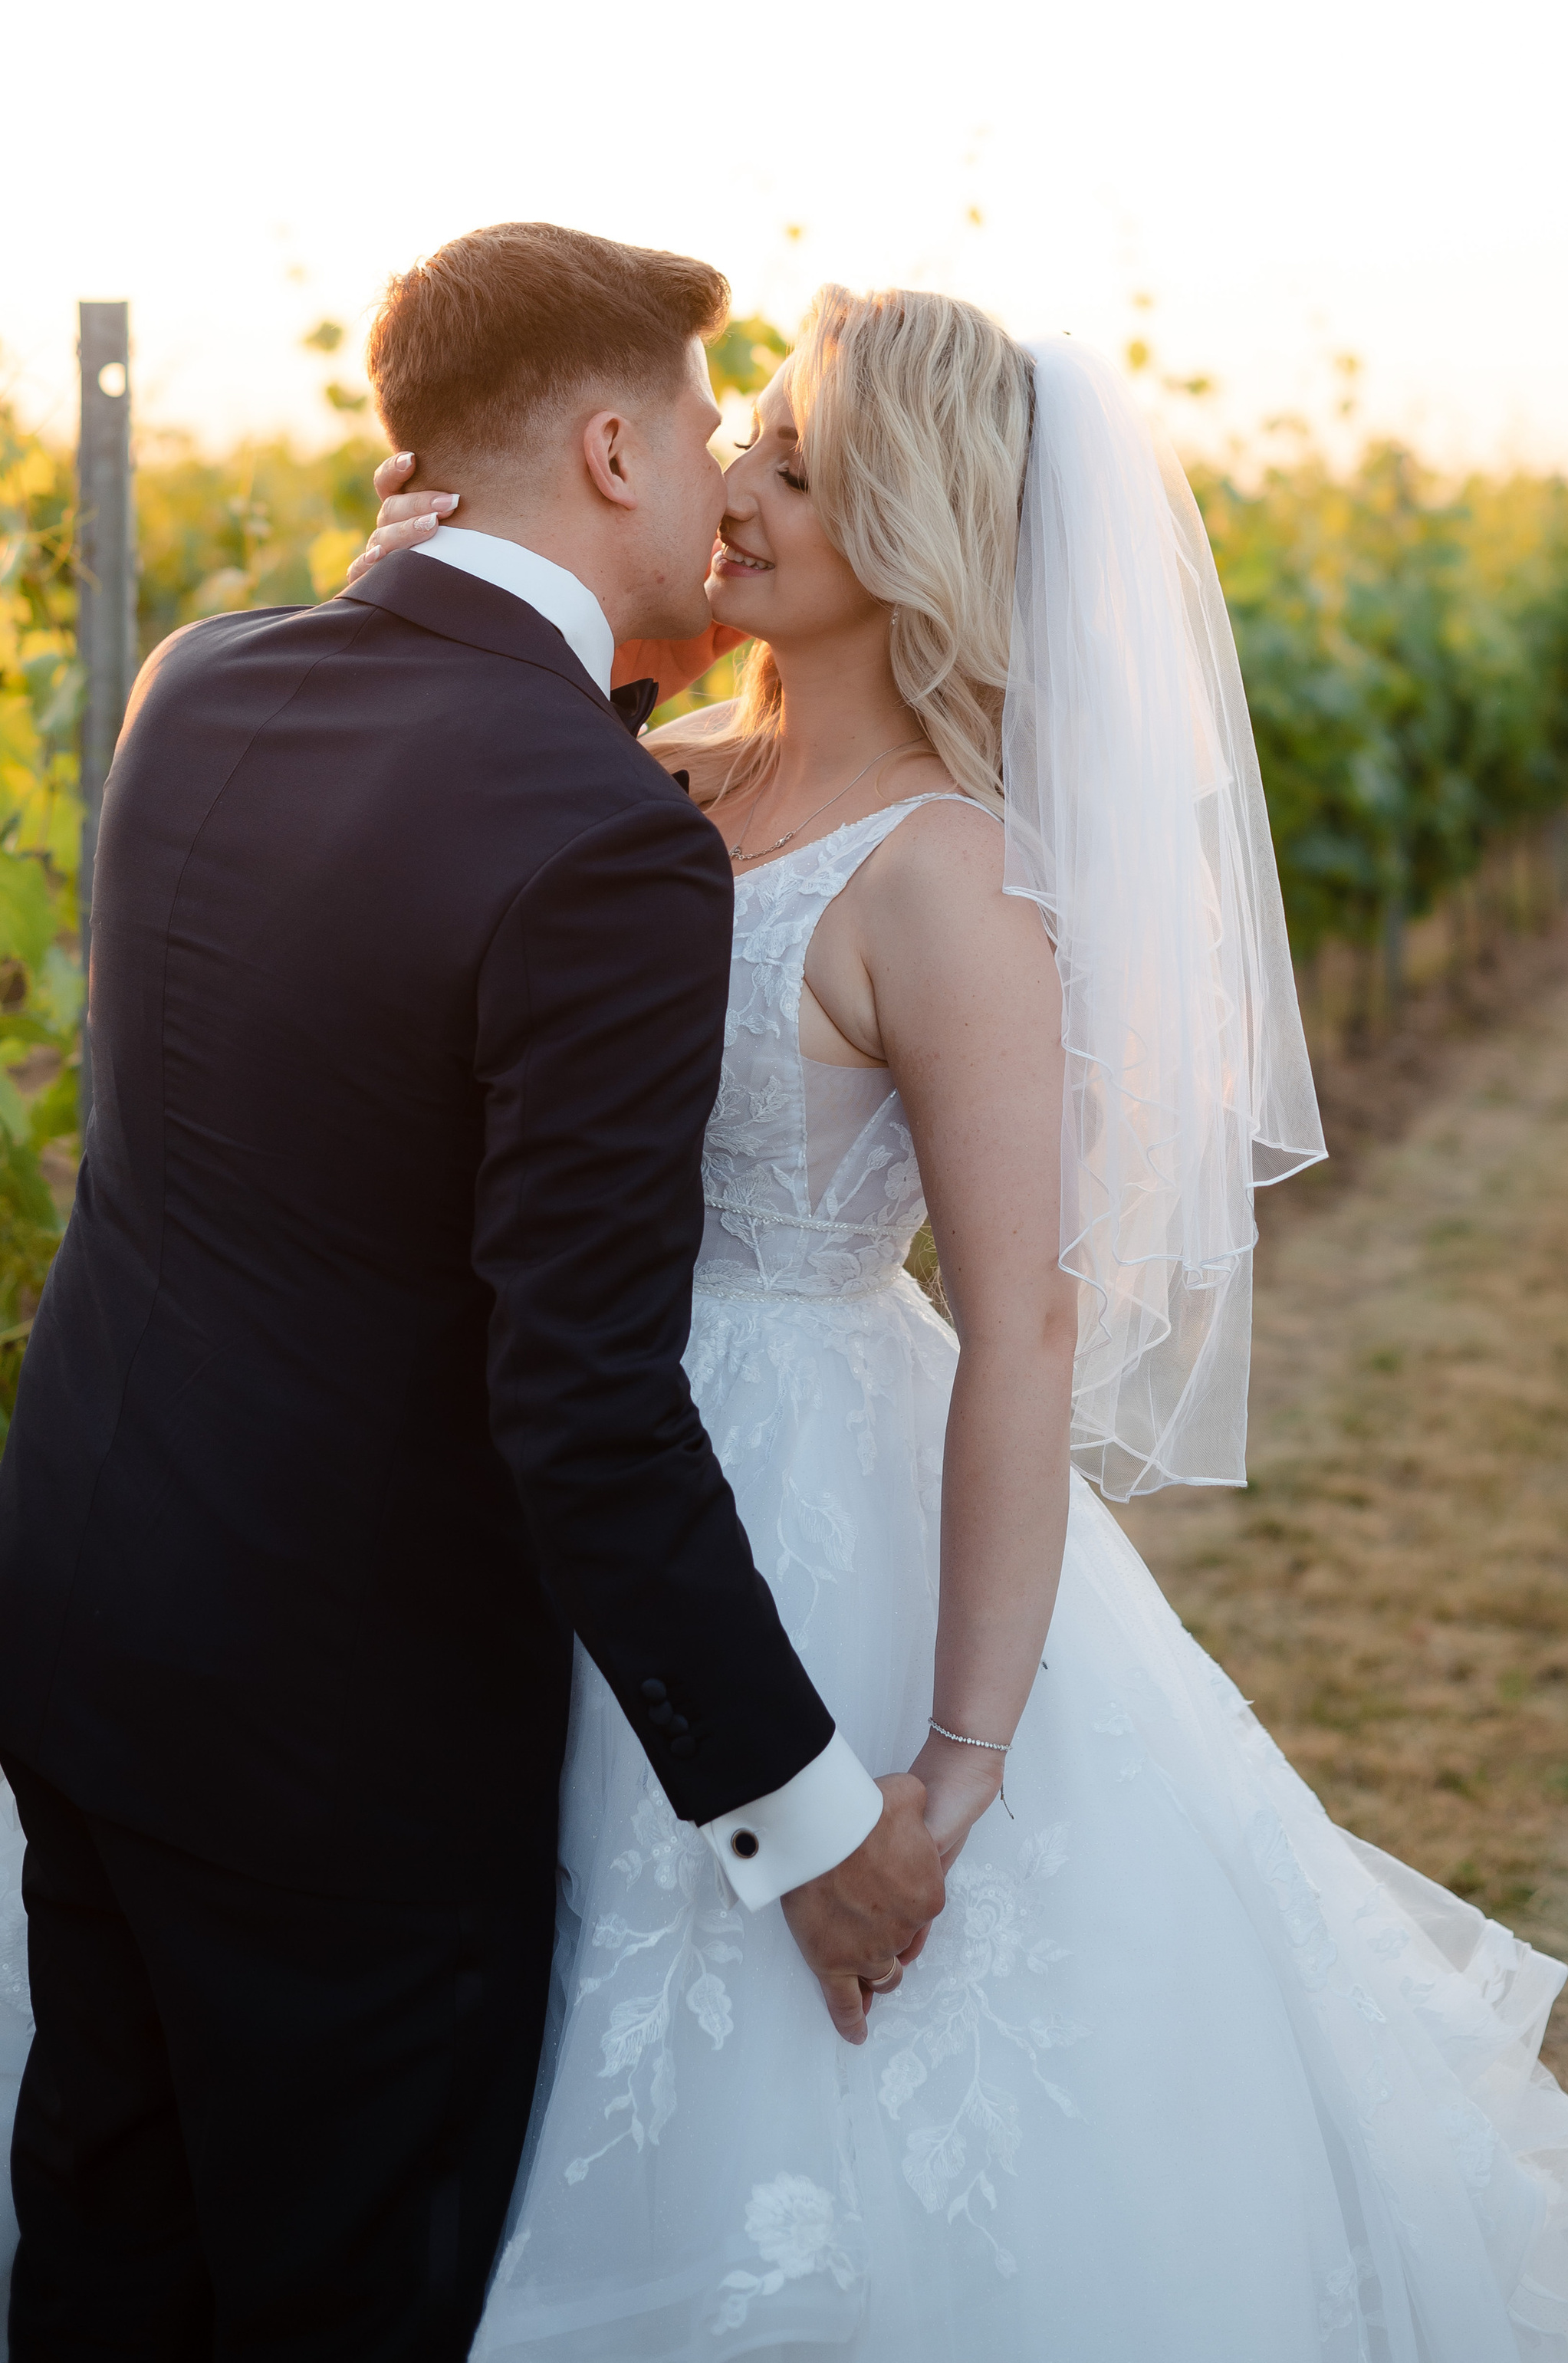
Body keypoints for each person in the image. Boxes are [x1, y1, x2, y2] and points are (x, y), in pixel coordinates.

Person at [357, 281, 1568, 2361]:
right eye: (752, 442)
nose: (733, 480)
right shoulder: (656, 772)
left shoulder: (949, 882)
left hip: (797, 1498)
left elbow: (1024, 1328)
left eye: (795, 461)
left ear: (911, 527)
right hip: (548, 1452)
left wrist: (959, 1753)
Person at [0, 225, 946, 2358]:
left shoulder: (205, 683)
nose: (726, 478)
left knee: (108, 2254)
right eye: (709, 430)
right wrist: (810, 1823)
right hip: (339, 1750)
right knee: (345, 2293)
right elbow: (584, 1405)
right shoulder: (604, 842)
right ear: (614, 447)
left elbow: (411, 800)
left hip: (85, 1618)